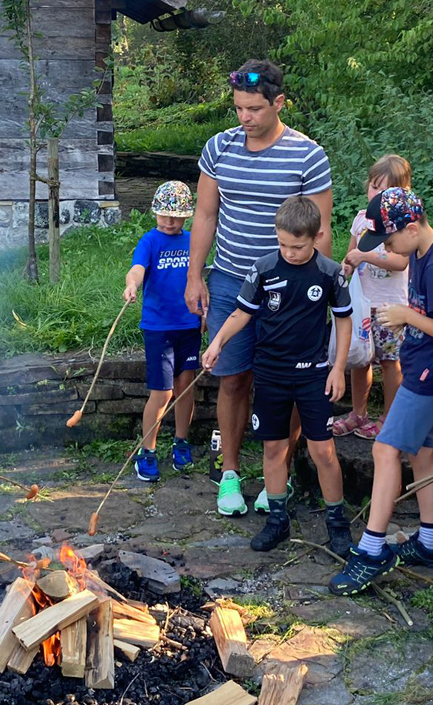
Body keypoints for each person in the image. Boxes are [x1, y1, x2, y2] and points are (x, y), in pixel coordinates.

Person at [186, 59, 333, 516]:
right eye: (238, 109)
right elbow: (206, 215)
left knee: (286, 381)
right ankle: (230, 473)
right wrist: (195, 275)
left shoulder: (308, 155)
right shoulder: (219, 148)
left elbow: (322, 229)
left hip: (290, 288)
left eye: (253, 109)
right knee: (233, 377)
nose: (244, 118)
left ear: (278, 103)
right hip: (230, 277)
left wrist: (317, 289)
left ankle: (278, 477)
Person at [329, 188, 433, 595]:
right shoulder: (422, 252)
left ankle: (372, 550)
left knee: (384, 449)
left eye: (389, 242)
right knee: (421, 453)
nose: (387, 250)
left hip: (432, 373)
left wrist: (408, 315)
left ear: (412, 228)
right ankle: (431, 544)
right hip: (428, 364)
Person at [201, 196, 353, 556]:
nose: (289, 252)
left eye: (297, 247)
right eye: (282, 244)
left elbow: (344, 320)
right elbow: (242, 313)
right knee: (273, 447)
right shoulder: (264, 268)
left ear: (316, 237)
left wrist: (338, 368)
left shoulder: (330, 273)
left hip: (314, 373)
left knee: (323, 450)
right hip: (270, 372)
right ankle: (277, 519)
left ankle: (337, 522)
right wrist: (218, 342)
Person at [331, 154, 412, 440]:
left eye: (385, 190)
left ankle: (390, 417)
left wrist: (365, 255)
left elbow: (400, 261)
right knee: (359, 358)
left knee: (391, 361)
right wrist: (347, 265)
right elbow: (351, 255)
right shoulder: (360, 221)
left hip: (391, 307)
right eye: (374, 188)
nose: (376, 195)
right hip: (363, 303)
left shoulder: (402, 226)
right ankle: (358, 413)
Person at [126, 181, 201, 482]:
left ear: (187, 216)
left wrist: (204, 311)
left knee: (186, 388)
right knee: (162, 392)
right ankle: (148, 452)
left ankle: (181, 443)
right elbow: (137, 268)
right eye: (164, 215)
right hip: (159, 328)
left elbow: (200, 278)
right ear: (155, 213)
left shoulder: (193, 241)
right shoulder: (150, 241)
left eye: (177, 215)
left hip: (189, 325)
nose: (170, 221)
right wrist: (132, 284)